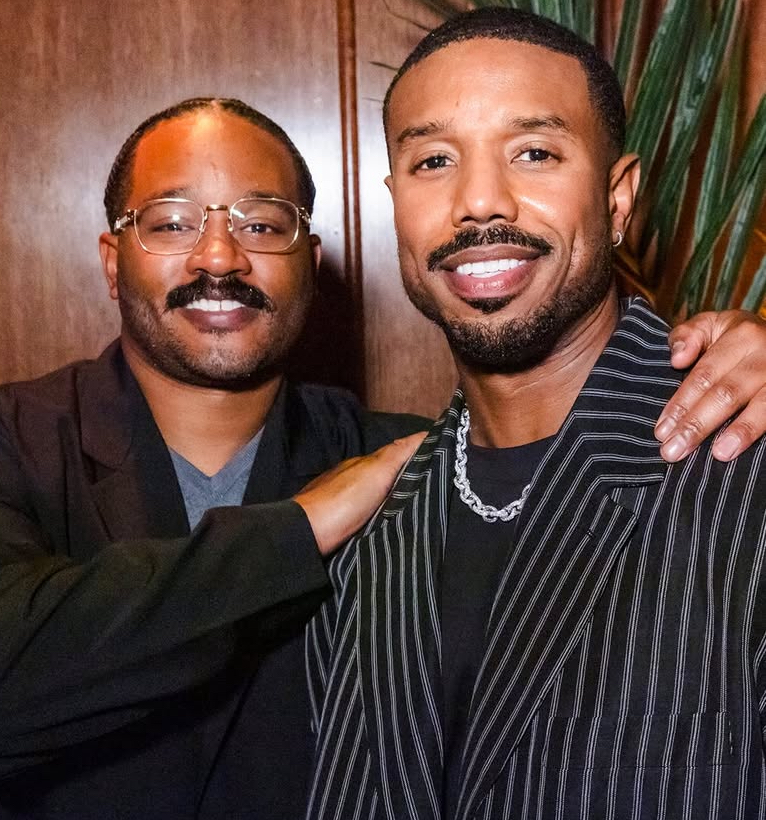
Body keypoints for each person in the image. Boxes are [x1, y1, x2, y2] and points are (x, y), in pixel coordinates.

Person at [0, 95, 761, 820]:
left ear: (310, 260)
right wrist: (300, 528)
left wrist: (732, 355)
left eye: (262, 223)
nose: (219, 257)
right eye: (172, 222)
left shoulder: (407, 462)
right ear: (113, 260)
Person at [307, 9, 766, 820]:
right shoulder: (362, 530)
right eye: (434, 160)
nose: (479, 200)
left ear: (618, 200)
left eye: (536, 153)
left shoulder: (745, 465)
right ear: (395, 207)